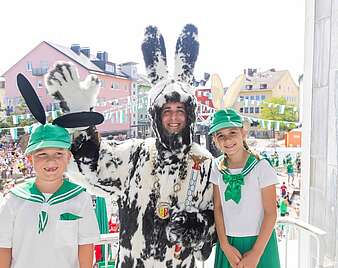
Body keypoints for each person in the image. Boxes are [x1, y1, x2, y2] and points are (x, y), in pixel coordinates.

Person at [44, 24, 215, 268]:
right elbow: (94, 170)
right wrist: (81, 120)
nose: (174, 117)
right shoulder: (135, 153)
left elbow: (216, 217)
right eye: (167, 111)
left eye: (180, 110)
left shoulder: (204, 162)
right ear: (156, 115)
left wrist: (198, 226)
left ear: (190, 115)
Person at [0, 123, 100, 268]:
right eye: (42, 154)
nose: (51, 160)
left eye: (59, 153)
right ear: (30, 159)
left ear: (68, 157)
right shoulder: (13, 200)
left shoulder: (80, 198)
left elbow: (85, 246)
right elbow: (4, 247)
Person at [209, 108, 280, 268]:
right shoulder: (216, 167)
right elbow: (218, 208)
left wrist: (256, 253)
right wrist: (225, 246)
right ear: (215, 139)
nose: (227, 140)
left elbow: (271, 213)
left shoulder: (261, 166)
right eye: (221, 135)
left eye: (232, 132)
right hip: (229, 243)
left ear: (243, 133)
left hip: (260, 243)